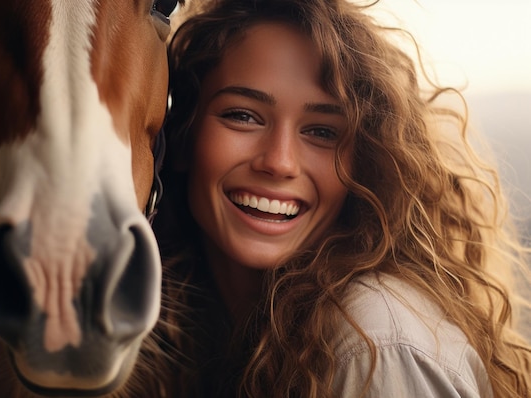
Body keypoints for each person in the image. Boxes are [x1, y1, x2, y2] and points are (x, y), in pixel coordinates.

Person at [116, 0, 531, 396]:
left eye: (321, 132)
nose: (279, 163)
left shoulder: (376, 347)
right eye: (242, 115)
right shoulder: (198, 332)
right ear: (183, 135)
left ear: (364, 165)